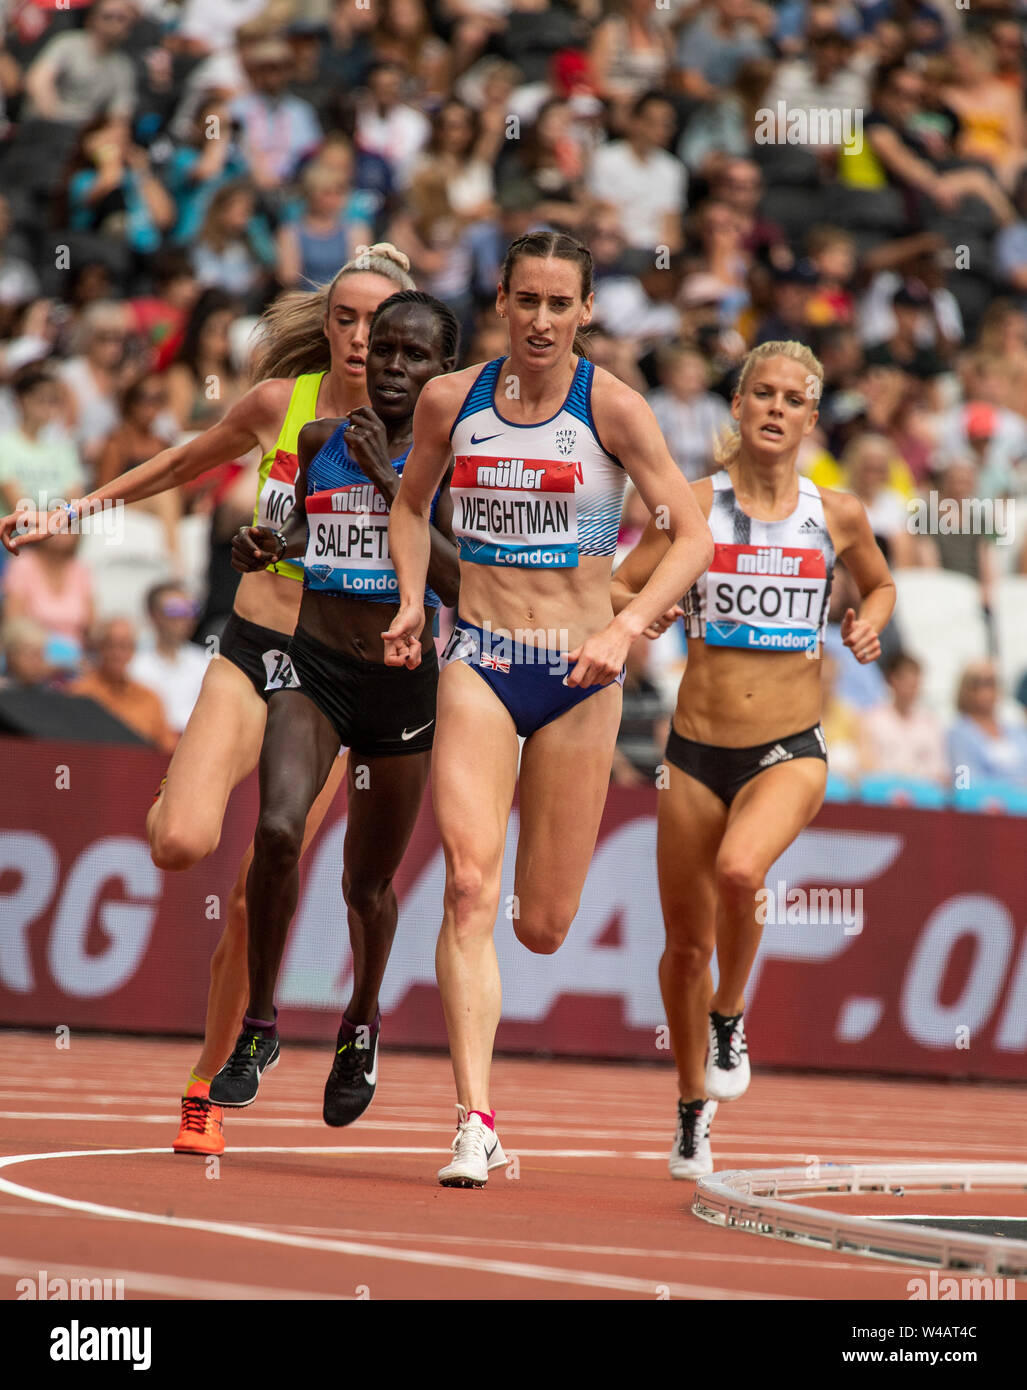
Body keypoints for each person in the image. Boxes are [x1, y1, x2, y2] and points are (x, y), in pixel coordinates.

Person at [0, 245, 416, 1159]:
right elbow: (183, 461)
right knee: (182, 841)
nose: (355, 337)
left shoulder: (425, 428)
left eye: (375, 323)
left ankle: (206, 1081)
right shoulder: (282, 404)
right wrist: (66, 514)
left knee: (251, 890)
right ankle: (178, 782)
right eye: (342, 318)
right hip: (252, 649)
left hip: (337, 678)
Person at [384, 230, 713, 1187]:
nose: (538, 320)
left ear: (585, 311)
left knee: (541, 923)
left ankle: (490, 1095)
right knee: (467, 887)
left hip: (577, 677)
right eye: (524, 300)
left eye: (557, 304)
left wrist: (627, 626)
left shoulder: (610, 408)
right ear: (500, 298)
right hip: (480, 660)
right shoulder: (453, 401)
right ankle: (473, 1120)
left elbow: (688, 535)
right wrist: (414, 597)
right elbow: (411, 505)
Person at [611, 339, 895, 1178]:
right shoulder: (692, 504)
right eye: (760, 394)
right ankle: (691, 1107)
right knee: (683, 946)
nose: (774, 408)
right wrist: (648, 611)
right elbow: (622, 584)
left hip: (787, 747)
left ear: (811, 417)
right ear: (736, 408)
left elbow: (878, 582)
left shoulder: (835, 513)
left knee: (742, 872)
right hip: (693, 752)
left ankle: (730, 1015)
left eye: (791, 399)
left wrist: (867, 619)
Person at [211, 291, 460, 1123]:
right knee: (277, 831)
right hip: (313, 668)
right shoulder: (318, 441)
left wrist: (398, 486)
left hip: (399, 691)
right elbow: (279, 538)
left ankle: (360, 1021)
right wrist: (260, 546)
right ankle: (260, 1023)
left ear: (440, 372)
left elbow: (465, 585)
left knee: (366, 882)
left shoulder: (455, 458)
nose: (390, 365)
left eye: (412, 355)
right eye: (381, 349)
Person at [71, 617, 177, 754]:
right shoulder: (79, 693)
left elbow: (168, 747)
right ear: (98, 647)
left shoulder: (149, 697)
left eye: (125, 646)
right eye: (111, 645)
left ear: (133, 650)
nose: (118, 654)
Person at [129, 582, 209, 735]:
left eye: (191, 610)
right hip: (148, 745)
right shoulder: (133, 664)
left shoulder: (206, 663)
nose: (184, 617)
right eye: (175, 610)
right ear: (153, 615)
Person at [949, 660, 1027, 788]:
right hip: (987, 804)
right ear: (966, 689)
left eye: (991, 683)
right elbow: (963, 784)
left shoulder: (1016, 731)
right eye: (978, 683)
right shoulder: (958, 734)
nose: (986, 691)